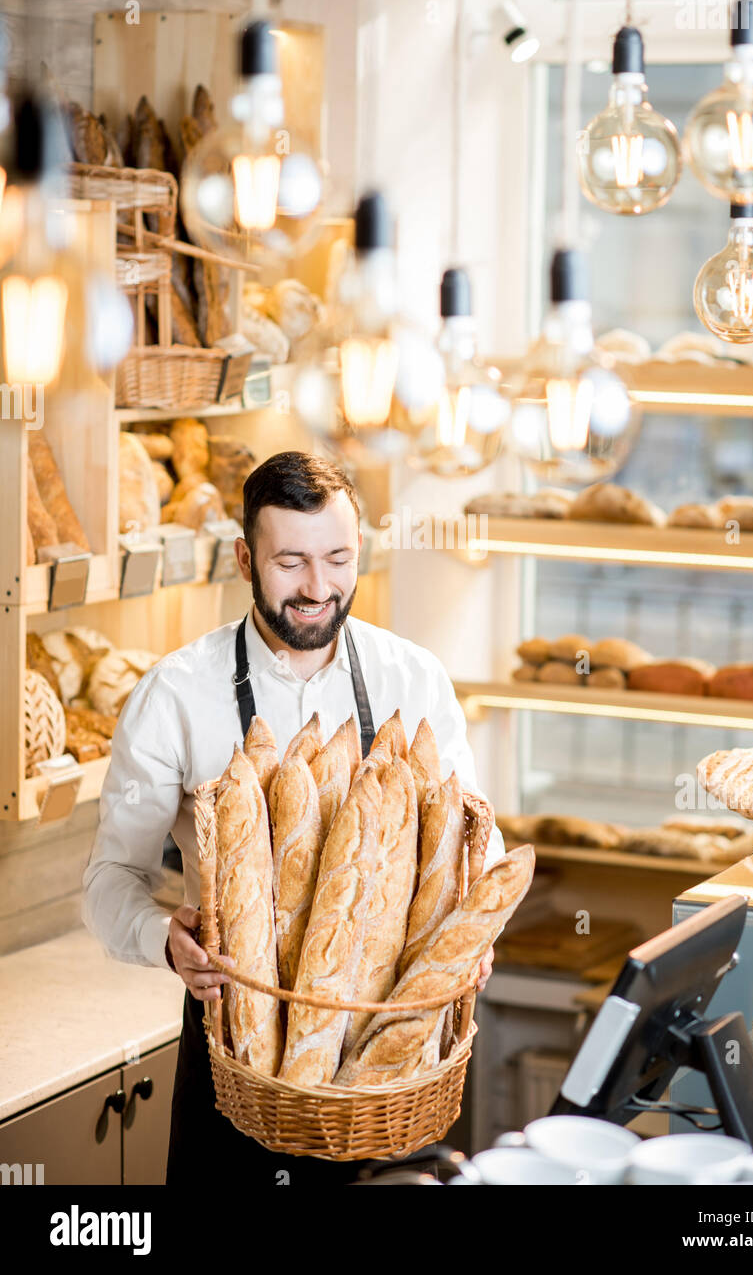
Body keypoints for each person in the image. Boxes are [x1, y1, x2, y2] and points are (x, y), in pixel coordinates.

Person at [82, 450, 504, 1185]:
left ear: (359, 552)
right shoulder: (177, 694)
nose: (317, 588)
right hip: (238, 1039)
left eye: (337, 559)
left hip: (389, 1043)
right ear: (245, 558)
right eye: (290, 563)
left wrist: (474, 931)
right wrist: (163, 939)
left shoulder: (414, 678)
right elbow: (110, 878)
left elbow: (475, 840)